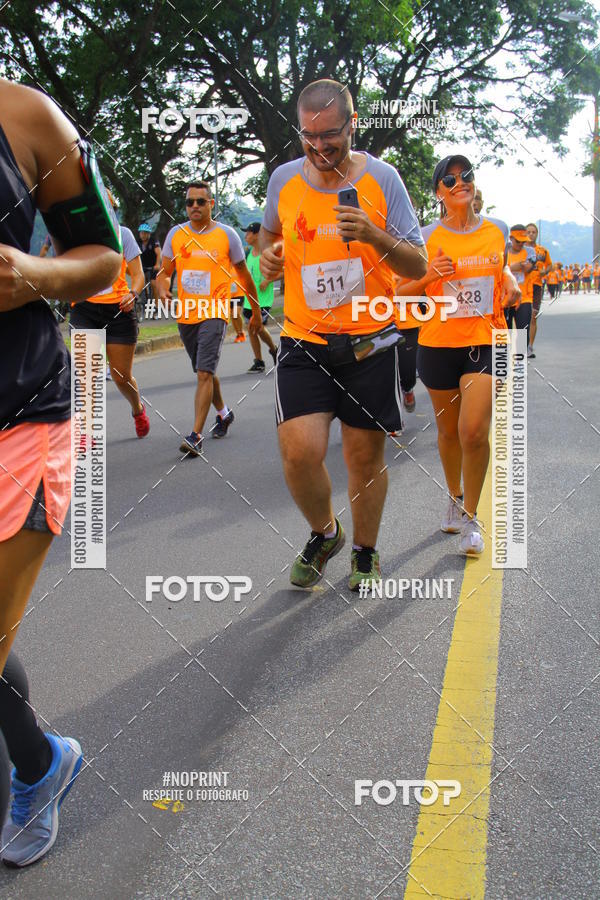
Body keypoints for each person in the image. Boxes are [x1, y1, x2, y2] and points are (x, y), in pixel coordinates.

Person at [0, 78, 121, 865]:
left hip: (19, 412)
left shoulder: (24, 116)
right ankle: (41, 763)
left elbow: (102, 256)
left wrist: (33, 275)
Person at [259, 78, 427, 590]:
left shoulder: (384, 180)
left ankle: (366, 552)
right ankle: (325, 532)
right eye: (309, 137)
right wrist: (266, 259)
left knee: (362, 457)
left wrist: (374, 236)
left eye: (329, 135)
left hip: (370, 342)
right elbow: (269, 237)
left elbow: (417, 263)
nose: (319, 147)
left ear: (352, 125)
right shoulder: (284, 180)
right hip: (304, 340)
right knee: (298, 451)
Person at [395, 154, 520, 556]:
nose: (460, 182)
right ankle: (453, 495)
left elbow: (499, 270)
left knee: (472, 431)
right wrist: (431, 275)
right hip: (437, 343)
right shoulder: (424, 238)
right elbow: (398, 291)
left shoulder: (497, 230)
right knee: (448, 432)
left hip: (489, 341)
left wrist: (512, 281)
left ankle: (471, 518)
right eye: (450, 180)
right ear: (439, 193)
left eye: (465, 175)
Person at [157, 181, 261, 456]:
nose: (194, 207)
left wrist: (257, 310)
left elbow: (244, 276)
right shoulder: (176, 235)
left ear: (211, 204)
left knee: (204, 372)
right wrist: (162, 286)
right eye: (190, 202)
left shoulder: (227, 236)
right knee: (205, 370)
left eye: (200, 202)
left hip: (215, 313)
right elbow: (164, 272)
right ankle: (224, 413)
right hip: (187, 315)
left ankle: (195, 436)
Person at [70, 219, 150, 437]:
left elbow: (138, 274)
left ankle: (138, 409)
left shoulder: (122, 234)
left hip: (119, 311)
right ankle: (86, 431)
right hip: (84, 309)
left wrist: (133, 293)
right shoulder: (73, 234)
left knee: (121, 376)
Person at [243, 222, 278, 373]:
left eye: (249, 233)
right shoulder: (248, 254)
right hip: (249, 300)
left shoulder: (268, 252)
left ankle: (274, 349)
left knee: (257, 327)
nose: (246, 236)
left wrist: (268, 280)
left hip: (264, 299)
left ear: (257, 234)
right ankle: (259, 361)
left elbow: (282, 270)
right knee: (251, 329)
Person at [506, 225, 536, 353]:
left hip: (524, 298)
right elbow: (497, 269)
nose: (521, 244)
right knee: (503, 334)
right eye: (518, 241)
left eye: (523, 241)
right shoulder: (503, 250)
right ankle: (501, 368)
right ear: (510, 238)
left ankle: (519, 367)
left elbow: (528, 267)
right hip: (505, 298)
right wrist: (515, 266)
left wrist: (507, 267)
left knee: (522, 332)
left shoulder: (529, 251)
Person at [137, 223, 160, 314]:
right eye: (142, 233)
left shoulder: (154, 241)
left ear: (149, 234)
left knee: (154, 284)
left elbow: (159, 254)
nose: (143, 235)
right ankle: (141, 302)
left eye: (145, 233)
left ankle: (157, 305)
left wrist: (157, 264)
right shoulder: (137, 242)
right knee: (141, 283)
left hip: (153, 266)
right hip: (142, 266)